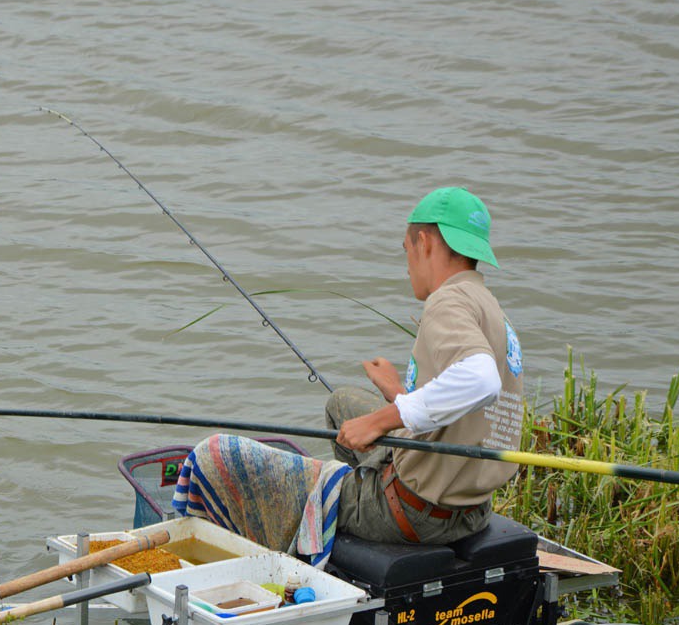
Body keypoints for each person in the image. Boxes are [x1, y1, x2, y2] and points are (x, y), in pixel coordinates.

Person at [173, 187, 524, 551]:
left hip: (415, 515)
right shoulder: (491, 308)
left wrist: (383, 419)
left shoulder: (446, 302)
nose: (407, 266)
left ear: (424, 243)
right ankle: (369, 482)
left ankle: (358, 503)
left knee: (218, 456)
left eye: (406, 250)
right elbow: (471, 411)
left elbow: (480, 379)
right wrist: (399, 395)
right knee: (341, 404)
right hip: (470, 510)